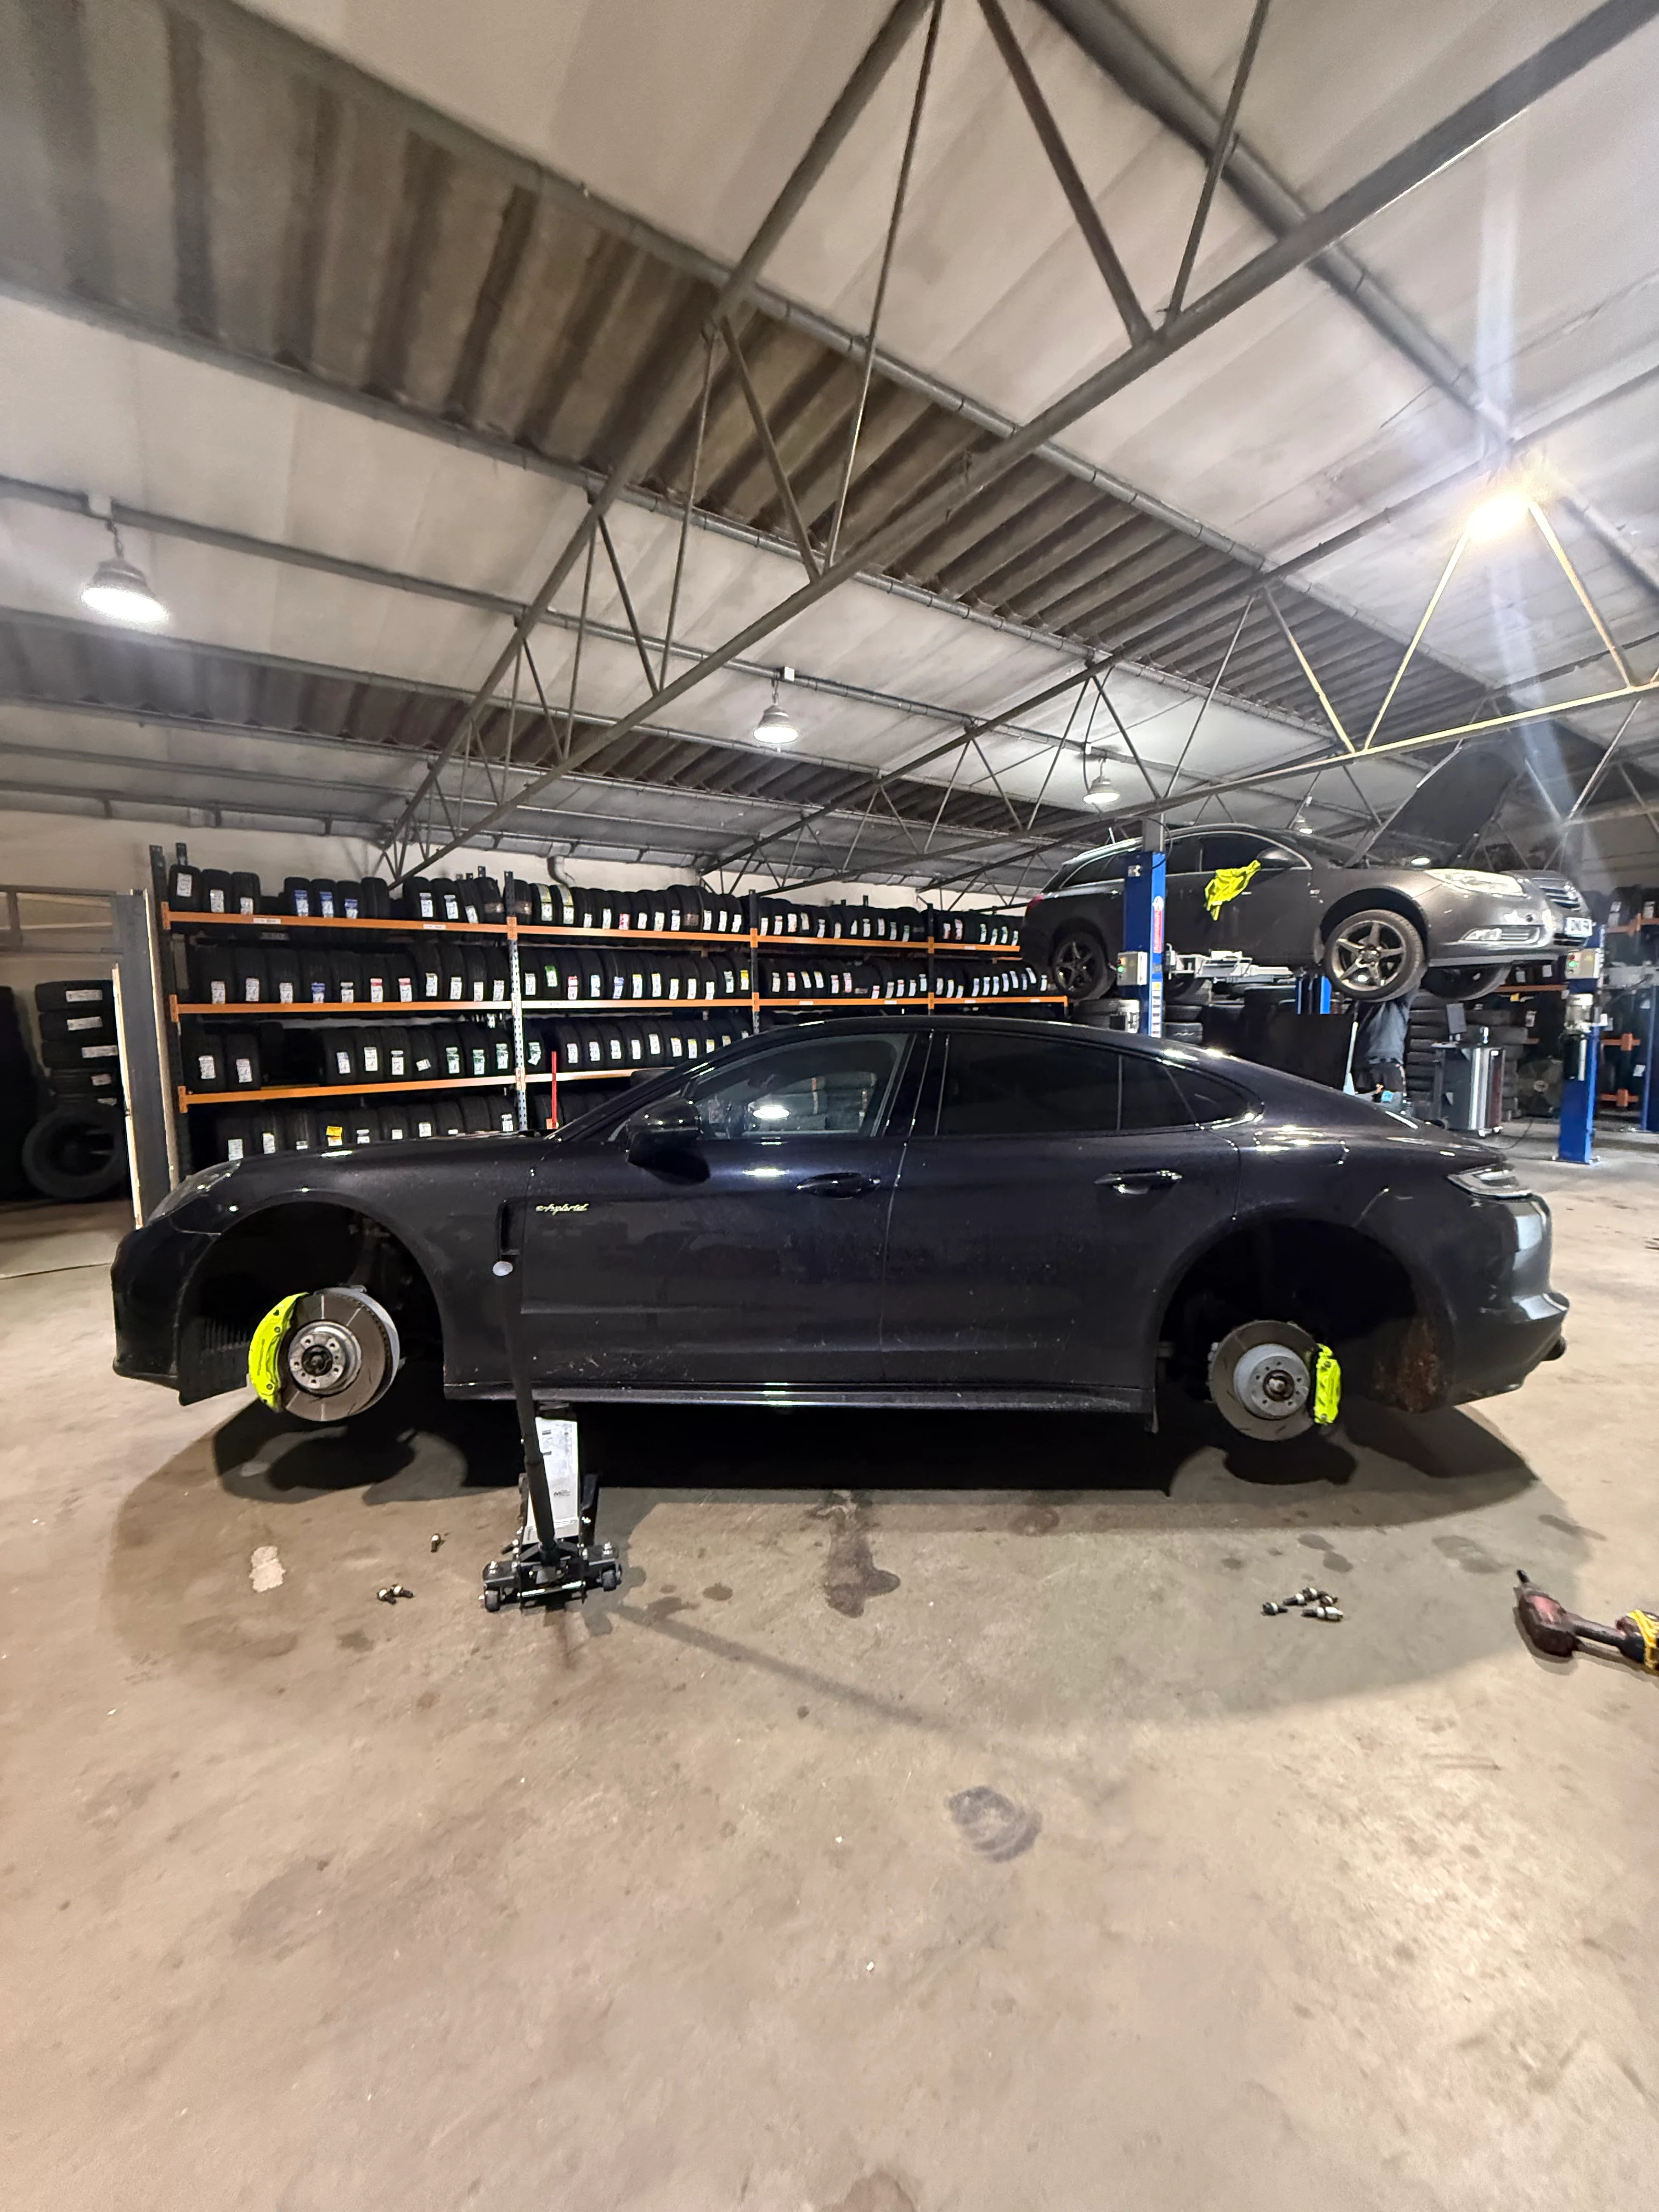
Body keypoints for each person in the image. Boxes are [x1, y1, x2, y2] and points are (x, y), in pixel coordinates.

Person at [1355, 991, 1410, 1102]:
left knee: (1393, 1107)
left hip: (1385, 1062)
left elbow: (1412, 983)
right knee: (1362, 1107)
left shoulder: (1399, 999)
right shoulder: (1366, 995)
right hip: (1366, 1062)